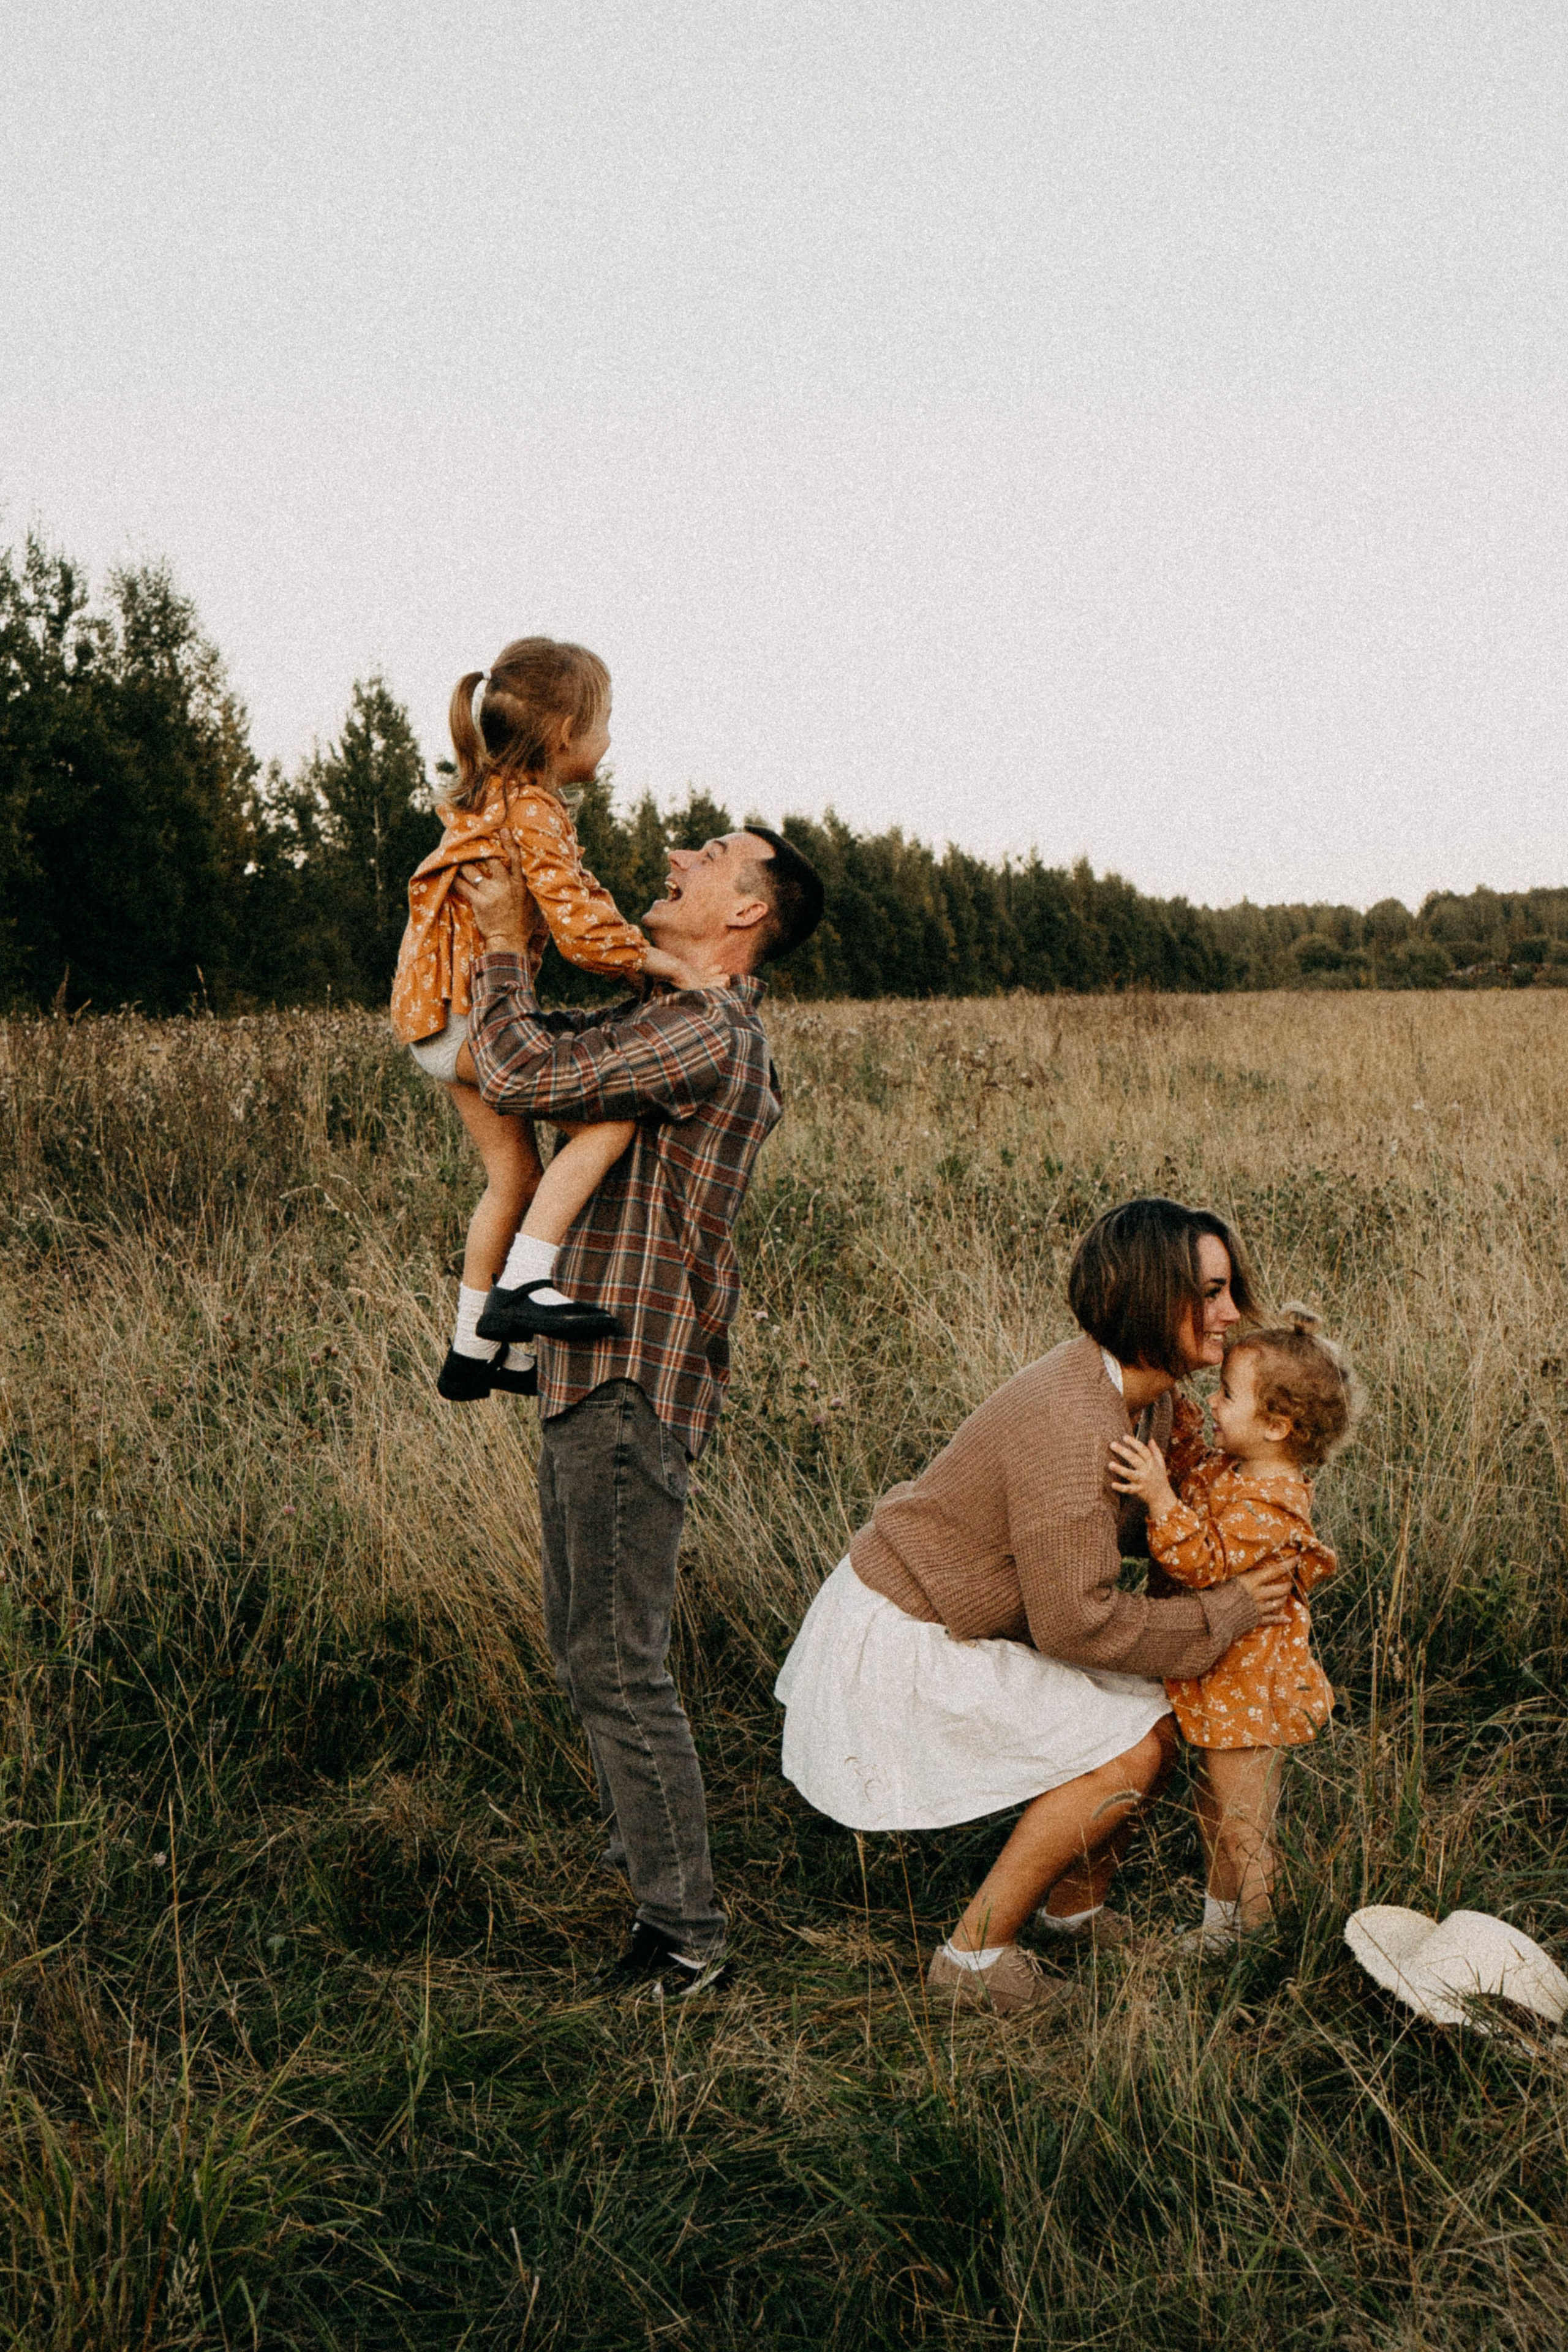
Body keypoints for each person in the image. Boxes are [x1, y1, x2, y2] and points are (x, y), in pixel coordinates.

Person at [452, 816, 825, 1997]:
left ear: (748, 912)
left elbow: (519, 1070)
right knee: (589, 1650)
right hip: (593, 1376)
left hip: (626, 1379)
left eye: (711, 855)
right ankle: (650, 1880)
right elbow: (526, 1052)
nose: (678, 855)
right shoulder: (671, 1016)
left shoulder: (702, 1030)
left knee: (618, 1661)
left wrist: (509, 945)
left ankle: (686, 1938)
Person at [774, 1196, 1298, 2019]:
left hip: (968, 1607)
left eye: (1229, 1289)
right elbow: (1076, 1623)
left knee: (1154, 1715)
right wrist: (1225, 1613)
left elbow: (1125, 1535)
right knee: (1127, 1752)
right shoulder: (1072, 1421)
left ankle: (1072, 1912)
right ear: (1147, 1300)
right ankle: (972, 1957)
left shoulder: (1149, 1396)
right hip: (908, 1627)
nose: (1232, 1312)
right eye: (1209, 1293)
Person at [390, 636, 704, 1403]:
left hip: (434, 1019)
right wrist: (654, 961)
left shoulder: (497, 795)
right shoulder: (531, 805)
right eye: (605, 724)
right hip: (472, 1019)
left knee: (514, 1177)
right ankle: (523, 1289)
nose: (610, 741)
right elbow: (577, 918)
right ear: (566, 735)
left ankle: (477, 1353)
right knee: (609, 1117)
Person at [1110, 1305, 1358, 1953]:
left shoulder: (1273, 1502)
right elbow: (1199, 1467)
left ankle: (1265, 1944)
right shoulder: (1238, 1468)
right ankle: (1222, 1931)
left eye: (1224, 1395)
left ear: (1276, 1426)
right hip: (1226, 1685)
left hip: (1251, 1694)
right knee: (1214, 1811)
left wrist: (1160, 1500)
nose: (1212, 1404)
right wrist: (1179, 1419)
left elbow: (1200, 1560)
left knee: (1245, 1828)